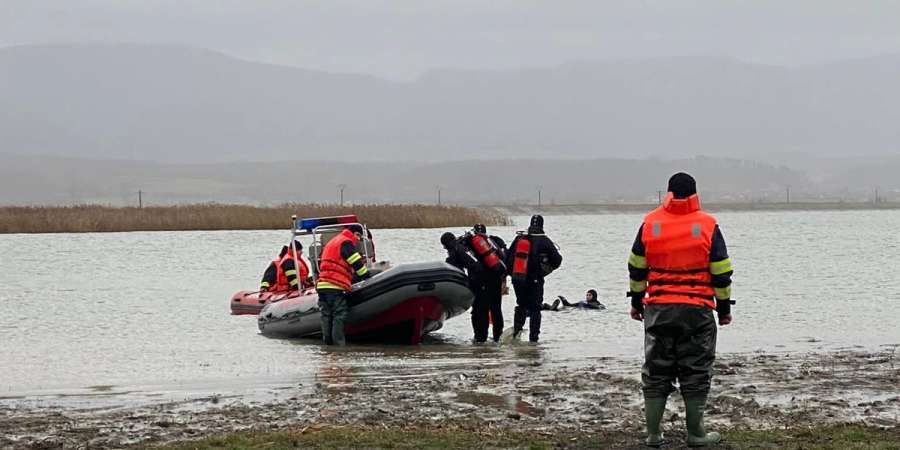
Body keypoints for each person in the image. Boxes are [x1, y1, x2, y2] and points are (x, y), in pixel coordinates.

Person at [627, 172, 734, 447]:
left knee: (656, 369)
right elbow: (721, 273)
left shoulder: (650, 223)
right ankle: (696, 434)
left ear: (669, 193)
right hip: (697, 309)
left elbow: (636, 267)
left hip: (659, 308)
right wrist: (723, 310)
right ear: (696, 193)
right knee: (696, 370)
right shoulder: (708, 224)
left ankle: (653, 434)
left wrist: (637, 303)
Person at [506, 215, 562, 343]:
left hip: (518, 279)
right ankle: (533, 339)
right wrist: (544, 271)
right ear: (542, 226)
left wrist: (512, 275)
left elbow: (508, 258)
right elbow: (558, 260)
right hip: (535, 280)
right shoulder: (544, 240)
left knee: (521, 305)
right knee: (535, 309)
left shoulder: (519, 238)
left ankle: (516, 333)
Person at [316, 224, 372, 346]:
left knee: (326, 315)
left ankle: (328, 345)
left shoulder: (334, 241)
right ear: (353, 233)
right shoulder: (346, 242)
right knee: (339, 314)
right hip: (335, 285)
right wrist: (366, 276)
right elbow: (355, 261)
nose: (358, 239)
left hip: (323, 284)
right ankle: (338, 346)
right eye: (358, 236)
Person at [468, 224, 507, 343]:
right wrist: (504, 279)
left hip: (479, 282)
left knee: (480, 310)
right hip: (495, 279)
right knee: (496, 309)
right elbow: (505, 258)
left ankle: (480, 338)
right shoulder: (494, 241)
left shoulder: (469, 242)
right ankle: (498, 337)